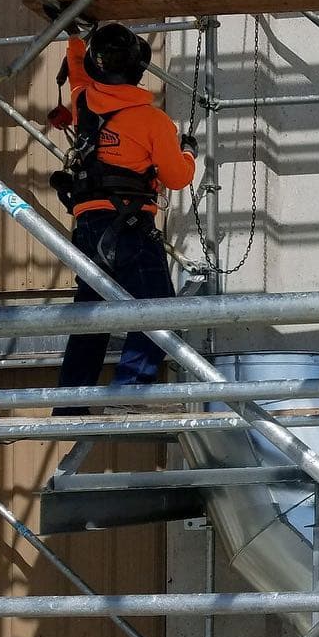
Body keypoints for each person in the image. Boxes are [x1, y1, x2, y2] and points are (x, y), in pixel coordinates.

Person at [50, 23, 198, 415]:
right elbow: (177, 178)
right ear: (137, 70)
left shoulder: (83, 101)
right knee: (159, 310)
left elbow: (78, 71)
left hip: (88, 225)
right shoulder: (152, 121)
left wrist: (74, 36)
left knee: (91, 315)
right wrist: (187, 153)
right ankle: (129, 391)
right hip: (130, 227)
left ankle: (69, 404)